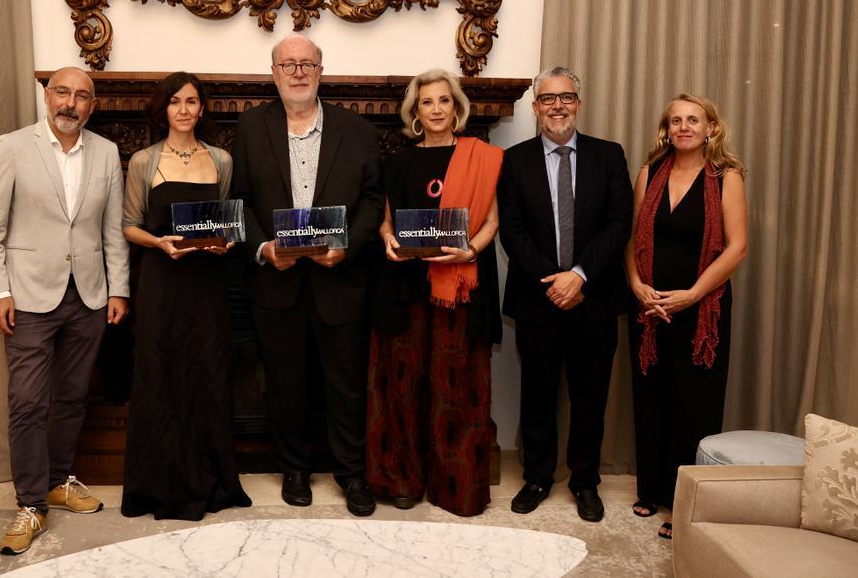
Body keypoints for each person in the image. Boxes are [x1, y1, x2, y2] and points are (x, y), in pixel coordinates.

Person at [0, 66, 130, 555]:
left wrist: (119, 290)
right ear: (47, 97)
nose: (71, 103)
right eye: (62, 92)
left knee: (72, 395)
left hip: (88, 295)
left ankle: (60, 481)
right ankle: (30, 503)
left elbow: (112, 231)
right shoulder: (13, 147)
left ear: (92, 105)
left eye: (82, 96)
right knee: (27, 401)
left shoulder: (105, 152)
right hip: (27, 295)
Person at [231, 34, 384, 516]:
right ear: (274, 74)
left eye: (307, 64)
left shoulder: (356, 129)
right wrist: (261, 248)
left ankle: (352, 473)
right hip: (277, 283)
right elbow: (241, 200)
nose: (298, 72)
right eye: (288, 64)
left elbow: (373, 201)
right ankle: (294, 468)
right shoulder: (251, 127)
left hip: (339, 283)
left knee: (345, 384)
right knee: (284, 382)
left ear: (320, 71)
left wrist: (348, 246)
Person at [496, 67, 633, 521]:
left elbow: (619, 225)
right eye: (548, 98)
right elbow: (512, 234)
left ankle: (585, 482)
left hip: (594, 297)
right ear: (535, 107)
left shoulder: (609, 156)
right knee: (537, 395)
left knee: (590, 398)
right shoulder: (514, 161)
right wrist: (556, 281)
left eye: (567, 97)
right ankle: (536, 477)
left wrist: (578, 275)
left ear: (579, 103)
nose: (558, 106)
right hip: (538, 299)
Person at [366, 69, 503, 516]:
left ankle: (454, 484)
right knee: (402, 384)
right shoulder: (399, 163)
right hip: (405, 285)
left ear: (457, 108)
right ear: (416, 112)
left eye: (445, 101)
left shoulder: (480, 158)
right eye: (428, 102)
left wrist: (470, 252)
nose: (437, 109)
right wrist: (387, 238)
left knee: (455, 385)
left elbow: (492, 222)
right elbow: (387, 219)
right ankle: (402, 478)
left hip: (458, 287)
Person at [119, 72, 252, 520]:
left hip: (208, 281)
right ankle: (158, 483)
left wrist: (228, 240)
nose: (183, 109)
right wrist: (157, 242)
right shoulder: (143, 161)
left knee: (210, 371)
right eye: (175, 101)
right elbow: (129, 224)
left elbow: (228, 220)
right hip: (161, 279)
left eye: (191, 101)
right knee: (159, 371)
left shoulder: (221, 159)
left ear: (201, 109)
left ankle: (214, 476)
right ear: (164, 108)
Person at [625, 93, 747, 539]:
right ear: (667, 129)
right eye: (675, 120)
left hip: (702, 309)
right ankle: (652, 489)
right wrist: (637, 285)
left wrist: (693, 294)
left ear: (711, 127)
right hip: (651, 307)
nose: (683, 127)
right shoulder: (649, 172)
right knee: (651, 397)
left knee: (692, 404)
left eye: (693, 119)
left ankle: (683, 502)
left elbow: (737, 247)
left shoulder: (726, 176)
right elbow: (632, 236)